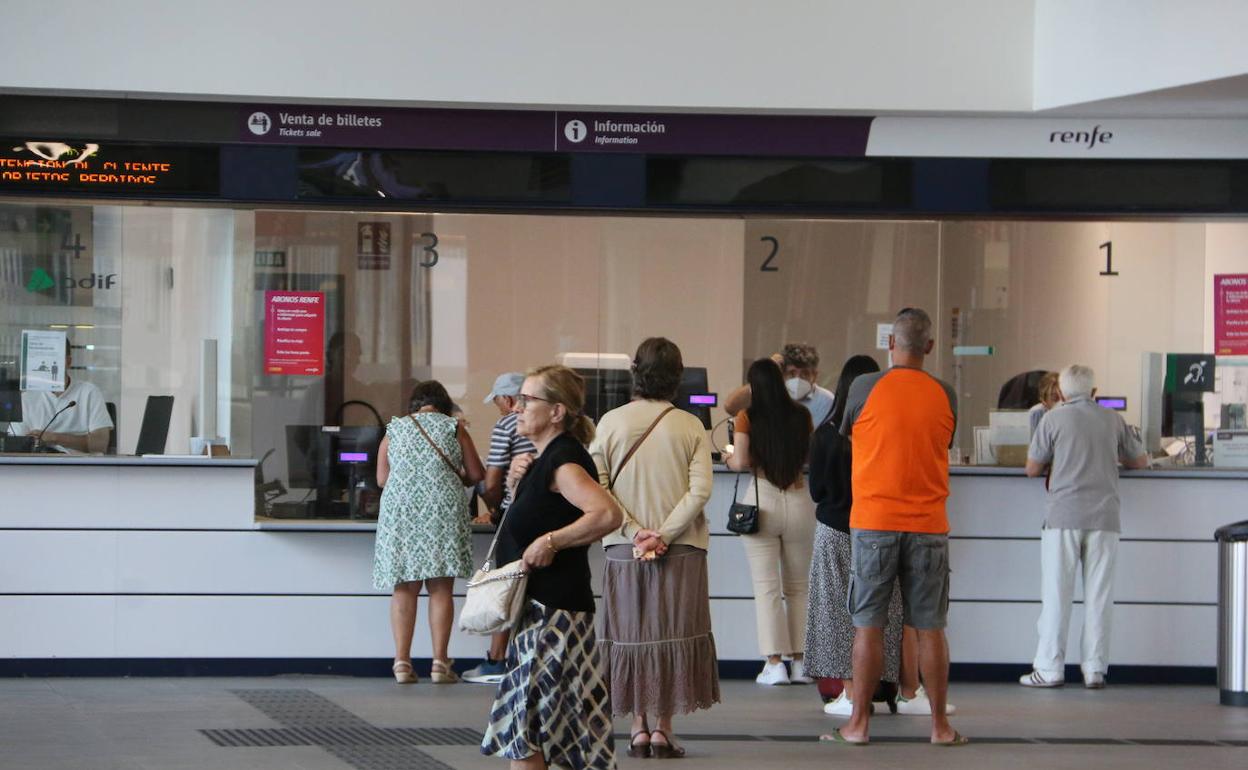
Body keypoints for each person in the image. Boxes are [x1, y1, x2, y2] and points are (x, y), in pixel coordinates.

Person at [830, 307, 965, 746]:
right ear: (928, 346)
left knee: (868, 625)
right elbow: (943, 442)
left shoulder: (865, 387)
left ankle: (858, 726)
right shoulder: (945, 393)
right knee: (930, 626)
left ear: (891, 343)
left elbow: (850, 436)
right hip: (928, 525)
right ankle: (940, 727)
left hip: (874, 523)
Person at [480, 365, 623, 770]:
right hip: (544, 610)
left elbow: (607, 514)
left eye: (528, 401)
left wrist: (552, 541)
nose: (518, 408)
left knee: (531, 730)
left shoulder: (564, 461)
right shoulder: (544, 460)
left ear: (557, 411)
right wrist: (516, 486)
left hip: (553, 612)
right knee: (544, 730)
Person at [591, 337, 718, 759]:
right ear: (678, 376)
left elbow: (598, 487)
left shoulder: (609, 422)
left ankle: (637, 727)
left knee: (631, 635)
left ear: (634, 371)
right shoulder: (691, 426)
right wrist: (664, 533)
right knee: (672, 634)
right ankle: (664, 728)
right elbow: (701, 489)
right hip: (681, 548)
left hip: (623, 551)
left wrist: (633, 532)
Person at [1019, 364, 1149, 689]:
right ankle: (1094, 670)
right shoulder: (1112, 419)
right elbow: (1140, 460)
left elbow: (1032, 468)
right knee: (1099, 597)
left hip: (1063, 517)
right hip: (1105, 519)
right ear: (1094, 392)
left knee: (1057, 596)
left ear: (1061, 393)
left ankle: (1050, 669)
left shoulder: (1052, 418)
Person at [373, 380, 485, 685]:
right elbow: (476, 475)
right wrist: (453, 474)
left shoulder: (394, 429)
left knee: (404, 588)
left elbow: (383, 479)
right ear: (444, 403)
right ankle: (439, 663)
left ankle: (402, 663)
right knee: (440, 589)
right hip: (442, 510)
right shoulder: (454, 428)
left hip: (402, 512)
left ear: (414, 405)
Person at [724, 358, 816, 685]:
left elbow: (742, 461)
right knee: (799, 588)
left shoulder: (747, 417)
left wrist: (726, 455)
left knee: (767, 588)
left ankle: (775, 664)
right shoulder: (802, 416)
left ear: (754, 386)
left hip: (762, 500)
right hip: (799, 499)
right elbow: (807, 457)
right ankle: (802, 663)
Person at [463, 372, 537, 685]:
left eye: (496, 401)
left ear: (507, 400)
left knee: (507, 582)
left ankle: (496, 660)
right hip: (549, 513)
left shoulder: (507, 424)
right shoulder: (553, 423)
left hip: (515, 514)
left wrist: (493, 508)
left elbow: (492, 480)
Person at [17, 338, 112, 453]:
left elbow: (100, 445)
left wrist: (53, 438)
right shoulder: (26, 398)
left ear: (68, 362)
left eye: (52, 359)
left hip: (80, 467)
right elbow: (14, 446)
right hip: (38, 467)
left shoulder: (89, 392)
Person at [723, 342, 835, 428]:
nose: (798, 379)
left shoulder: (827, 401)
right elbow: (731, 407)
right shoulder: (768, 394)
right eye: (792, 373)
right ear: (782, 373)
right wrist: (767, 372)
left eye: (805, 374)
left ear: (815, 376)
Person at [1028, 371, 1061, 437]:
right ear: (1043, 400)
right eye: (1055, 398)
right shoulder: (1036, 413)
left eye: (1063, 398)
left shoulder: (1071, 413)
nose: (1060, 403)